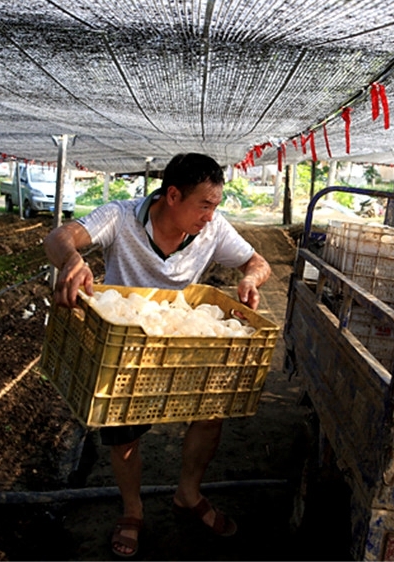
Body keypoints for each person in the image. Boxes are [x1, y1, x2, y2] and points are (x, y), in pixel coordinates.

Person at [43, 152, 271, 558]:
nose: (210, 215)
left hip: (180, 336)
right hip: (127, 342)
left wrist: (251, 278)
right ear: (172, 196)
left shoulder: (213, 229)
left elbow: (256, 262)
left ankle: (188, 494)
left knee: (211, 410)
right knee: (123, 432)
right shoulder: (120, 217)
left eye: (215, 206)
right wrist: (73, 259)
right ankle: (133, 511)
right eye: (204, 204)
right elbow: (58, 237)